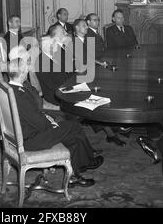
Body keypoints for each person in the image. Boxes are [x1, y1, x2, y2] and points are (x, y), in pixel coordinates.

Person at [7, 57, 104, 187]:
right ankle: (86, 162)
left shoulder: (9, 88)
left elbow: (35, 109)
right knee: (74, 127)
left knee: (71, 137)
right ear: (23, 71)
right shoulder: (20, 95)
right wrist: (52, 124)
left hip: (23, 134)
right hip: (31, 139)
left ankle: (76, 172)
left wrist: (50, 121)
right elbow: (38, 120)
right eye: (27, 68)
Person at [73, 19, 130, 146]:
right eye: (83, 25)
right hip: (79, 78)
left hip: (89, 73)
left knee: (106, 91)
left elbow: (89, 58)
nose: (86, 27)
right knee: (96, 100)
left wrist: (100, 63)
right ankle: (110, 132)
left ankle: (112, 126)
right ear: (76, 28)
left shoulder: (85, 40)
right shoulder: (73, 42)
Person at [35, 25, 75, 106]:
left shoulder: (53, 57)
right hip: (56, 96)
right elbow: (52, 85)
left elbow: (67, 73)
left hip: (66, 89)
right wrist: (71, 89)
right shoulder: (41, 62)